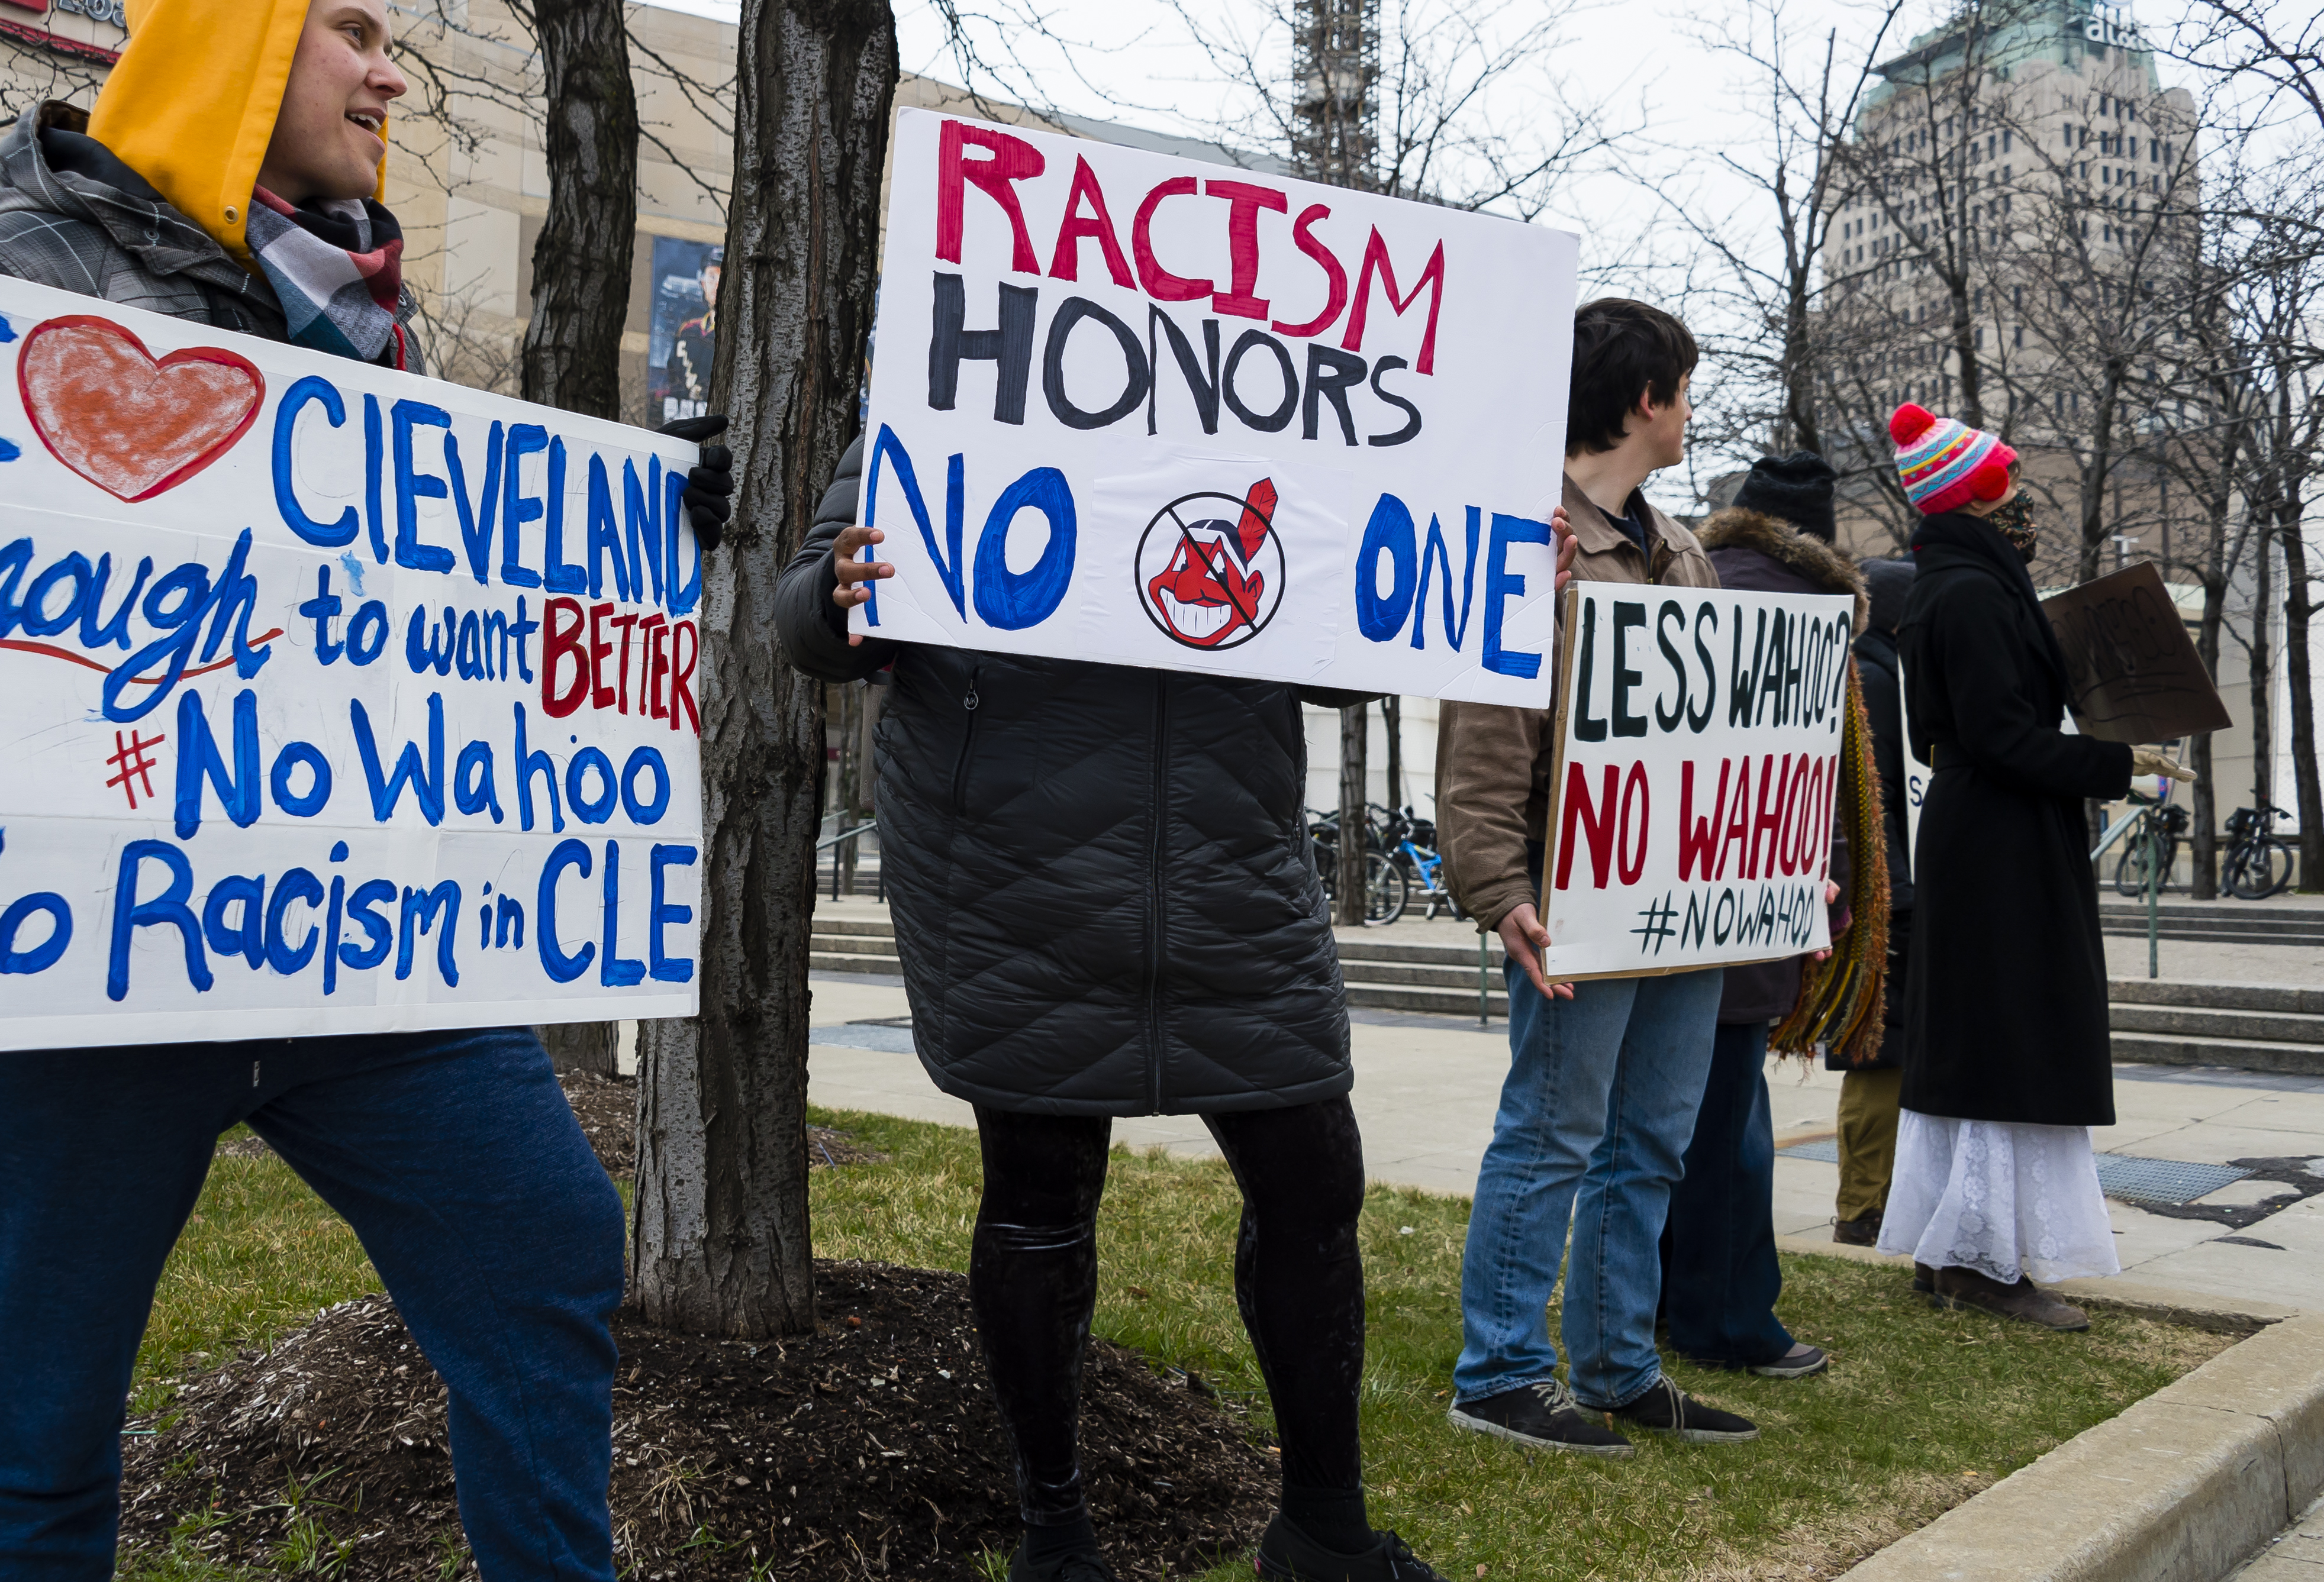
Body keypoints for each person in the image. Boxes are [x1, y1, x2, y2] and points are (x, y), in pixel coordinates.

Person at [0, 0, 729, 1580]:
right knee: (38, 1404)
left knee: (544, 1242)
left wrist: (642, 529)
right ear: (238, 53)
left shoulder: (363, 301)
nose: (391, 76)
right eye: (356, 36)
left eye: (394, 42)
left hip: (355, 936)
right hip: (96, 946)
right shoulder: (23, 281)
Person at [771, 469, 1500, 1577]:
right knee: (1039, 1203)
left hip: (1231, 867)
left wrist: (1457, 574)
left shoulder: (1275, 418)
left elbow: (1343, 663)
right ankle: (1055, 1538)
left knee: (1314, 1184)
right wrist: (832, 591)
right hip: (1018, 871)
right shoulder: (955, 387)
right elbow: (819, 631)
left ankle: (1323, 1527)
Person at [1437, 298, 1759, 1458]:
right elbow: (1484, 728)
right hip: (1574, 895)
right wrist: (1495, 885)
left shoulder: (1676, 549)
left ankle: (1619, 1364)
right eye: (1679, 385)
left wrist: (1768, 865)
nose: (1687, 408)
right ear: (1642, 398)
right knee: (1550, 1133)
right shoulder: (1530, 539)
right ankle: (1500, 1371)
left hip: (1676, 895)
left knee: (1651, 1137)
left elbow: (1723, 731)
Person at [1878, 403, 2183, 1331]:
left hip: (1996, 833)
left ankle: (1958, 1246)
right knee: (2002, 1032)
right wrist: (2113, 764)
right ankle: (1976, 1257)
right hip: (1997, 838)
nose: (2024, 501)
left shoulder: (1962, 582)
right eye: (2007, 481)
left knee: (1991, 1028)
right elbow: (2000, 735)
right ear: (1975, 495)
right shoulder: (1968, 593)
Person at [1661, 453, 1867, 1380]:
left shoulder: (1687, 581)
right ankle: (1731, 1317)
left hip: (1658, 884)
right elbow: (1803, 778)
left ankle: (1663, 1304)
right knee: (1730, 1127)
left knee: (1663, 1123)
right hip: (1747, 889)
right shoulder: (1806, 617)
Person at [1831, 556, 1917, 1246]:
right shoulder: (1879, 679)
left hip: (1869, 886)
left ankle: (1866, 1202)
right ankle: (1862, 1207)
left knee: (1876, 1048)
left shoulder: (1860, 668)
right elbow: (1882, 797)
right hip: (1888, 892)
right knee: (1879, 1050)